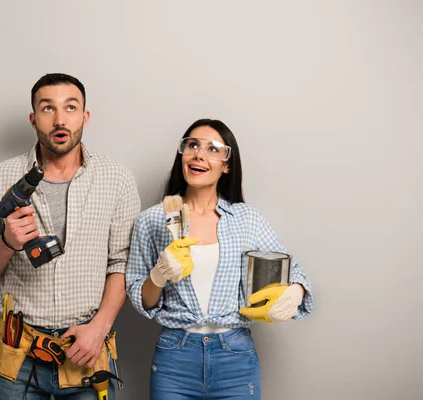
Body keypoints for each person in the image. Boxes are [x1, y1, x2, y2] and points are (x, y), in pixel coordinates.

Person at [0, 73, 141, 399]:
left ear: (85, 116)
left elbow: (123, 262)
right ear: (33, 119)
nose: (60, 119)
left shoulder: (116, 178)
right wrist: (7, 243)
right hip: (17, 354)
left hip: (86, 349)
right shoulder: (0, 176)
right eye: (48, 109)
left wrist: (99, 329)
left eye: (70, 107)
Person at [125, 118, 313, 399]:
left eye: (213, 149)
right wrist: (158, 276)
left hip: (235, 358)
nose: (199, 154)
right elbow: (142, 298)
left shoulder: (248, 220)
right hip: (175, 359)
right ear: (183, 156)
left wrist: (295, 292)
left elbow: (293, 273)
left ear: (227, 165)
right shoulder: (153, 220)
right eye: (192, 145)